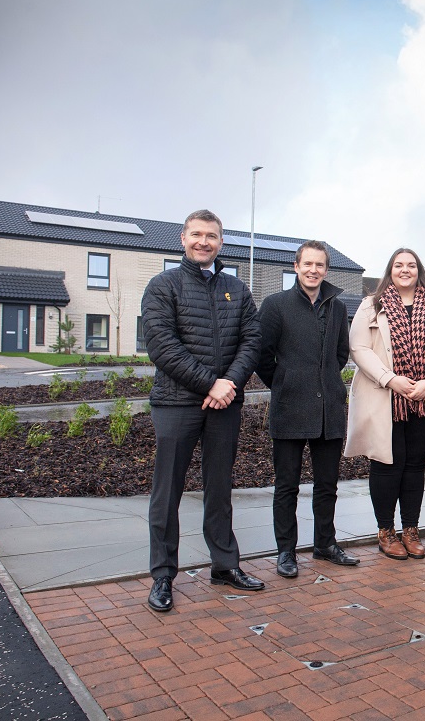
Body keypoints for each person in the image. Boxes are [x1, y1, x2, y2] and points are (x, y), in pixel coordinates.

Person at [141, 209, 263, 612]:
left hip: (224, 406)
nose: (203, 242)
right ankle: (162, 576)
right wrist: (210, 383)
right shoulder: (163, 286)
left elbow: (251, 341)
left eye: (211, 236)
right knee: (167, 493)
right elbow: (162, 345)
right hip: (176, 404)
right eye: (197, 234)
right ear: (183, 238)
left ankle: (225, 565)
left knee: (220, 489)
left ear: (221, 242)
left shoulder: (237, 289)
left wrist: (228, 384)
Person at [345, 248, 425, 560]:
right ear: (390, 270)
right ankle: (386, 531)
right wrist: (390, 379)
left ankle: (410, 529)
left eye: (410, 265)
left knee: (414, 466)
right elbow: (359, 348)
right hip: (384, 399)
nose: (405, 270)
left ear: (418, 269)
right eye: (398, 265)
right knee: (386, 464)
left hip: (422, 400)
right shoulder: (372, 304)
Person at [257, 240, 358, 577]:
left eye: (320, 265)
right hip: (290, 408)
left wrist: (323, 380)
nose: (313, 270)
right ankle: (286, 551)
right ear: (296, 266)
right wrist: (284, 382)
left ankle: (325, 544)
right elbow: (261, 356)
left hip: (328, 409)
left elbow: (340, 354)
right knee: (287, 485)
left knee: (327, 484)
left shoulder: (338, 308)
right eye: (307, 264)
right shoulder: (275, 305)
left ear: (326, 270)